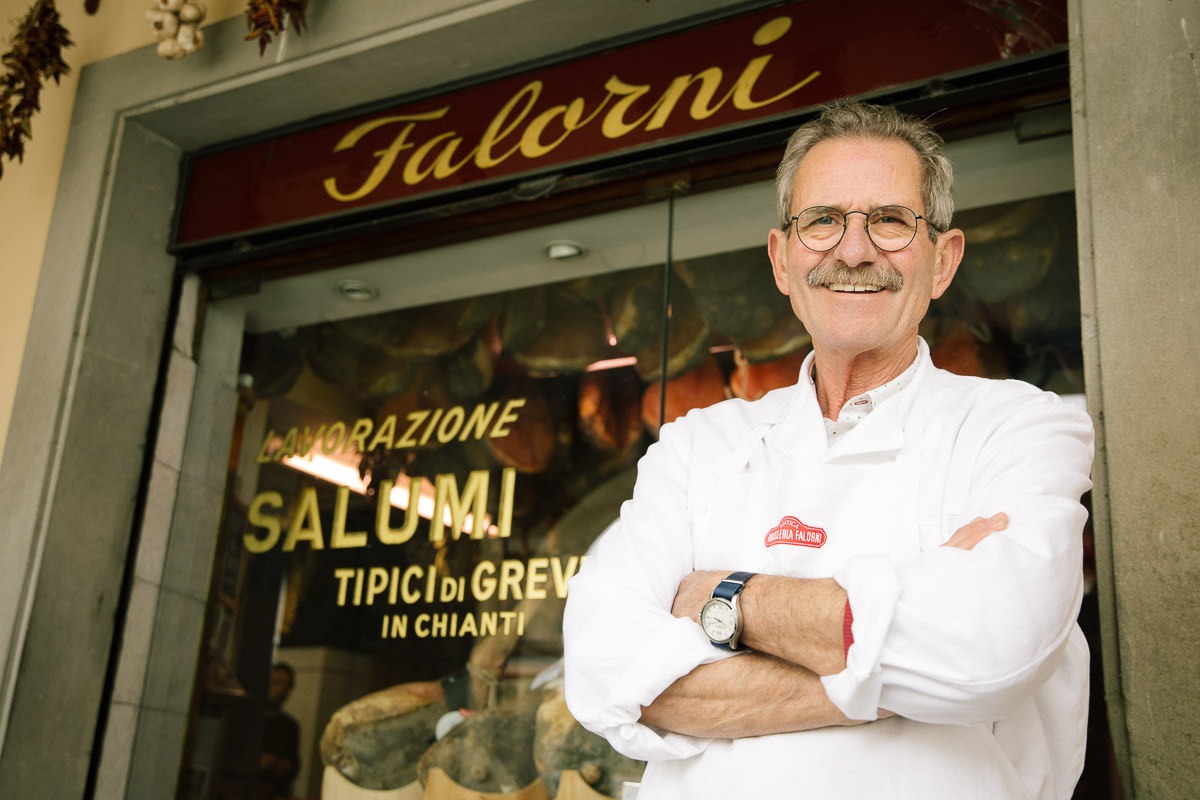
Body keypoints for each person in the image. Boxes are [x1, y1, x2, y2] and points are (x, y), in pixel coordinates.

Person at [562, 101, 1094, 799]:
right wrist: (902, 671)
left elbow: (990, 649)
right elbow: (604, 668)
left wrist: (732, 601)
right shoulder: (698, 445)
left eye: (891, 220)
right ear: (783, 260)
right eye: (822, 220)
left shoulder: (1021, 426)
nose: (852, 250)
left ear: (943, 261)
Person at [259, 662, 301, 799]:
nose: (281, 691)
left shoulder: (290, 726)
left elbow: (294, 765)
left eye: (287, 686)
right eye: (276, 683)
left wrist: (286, 767)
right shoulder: (248, 720)